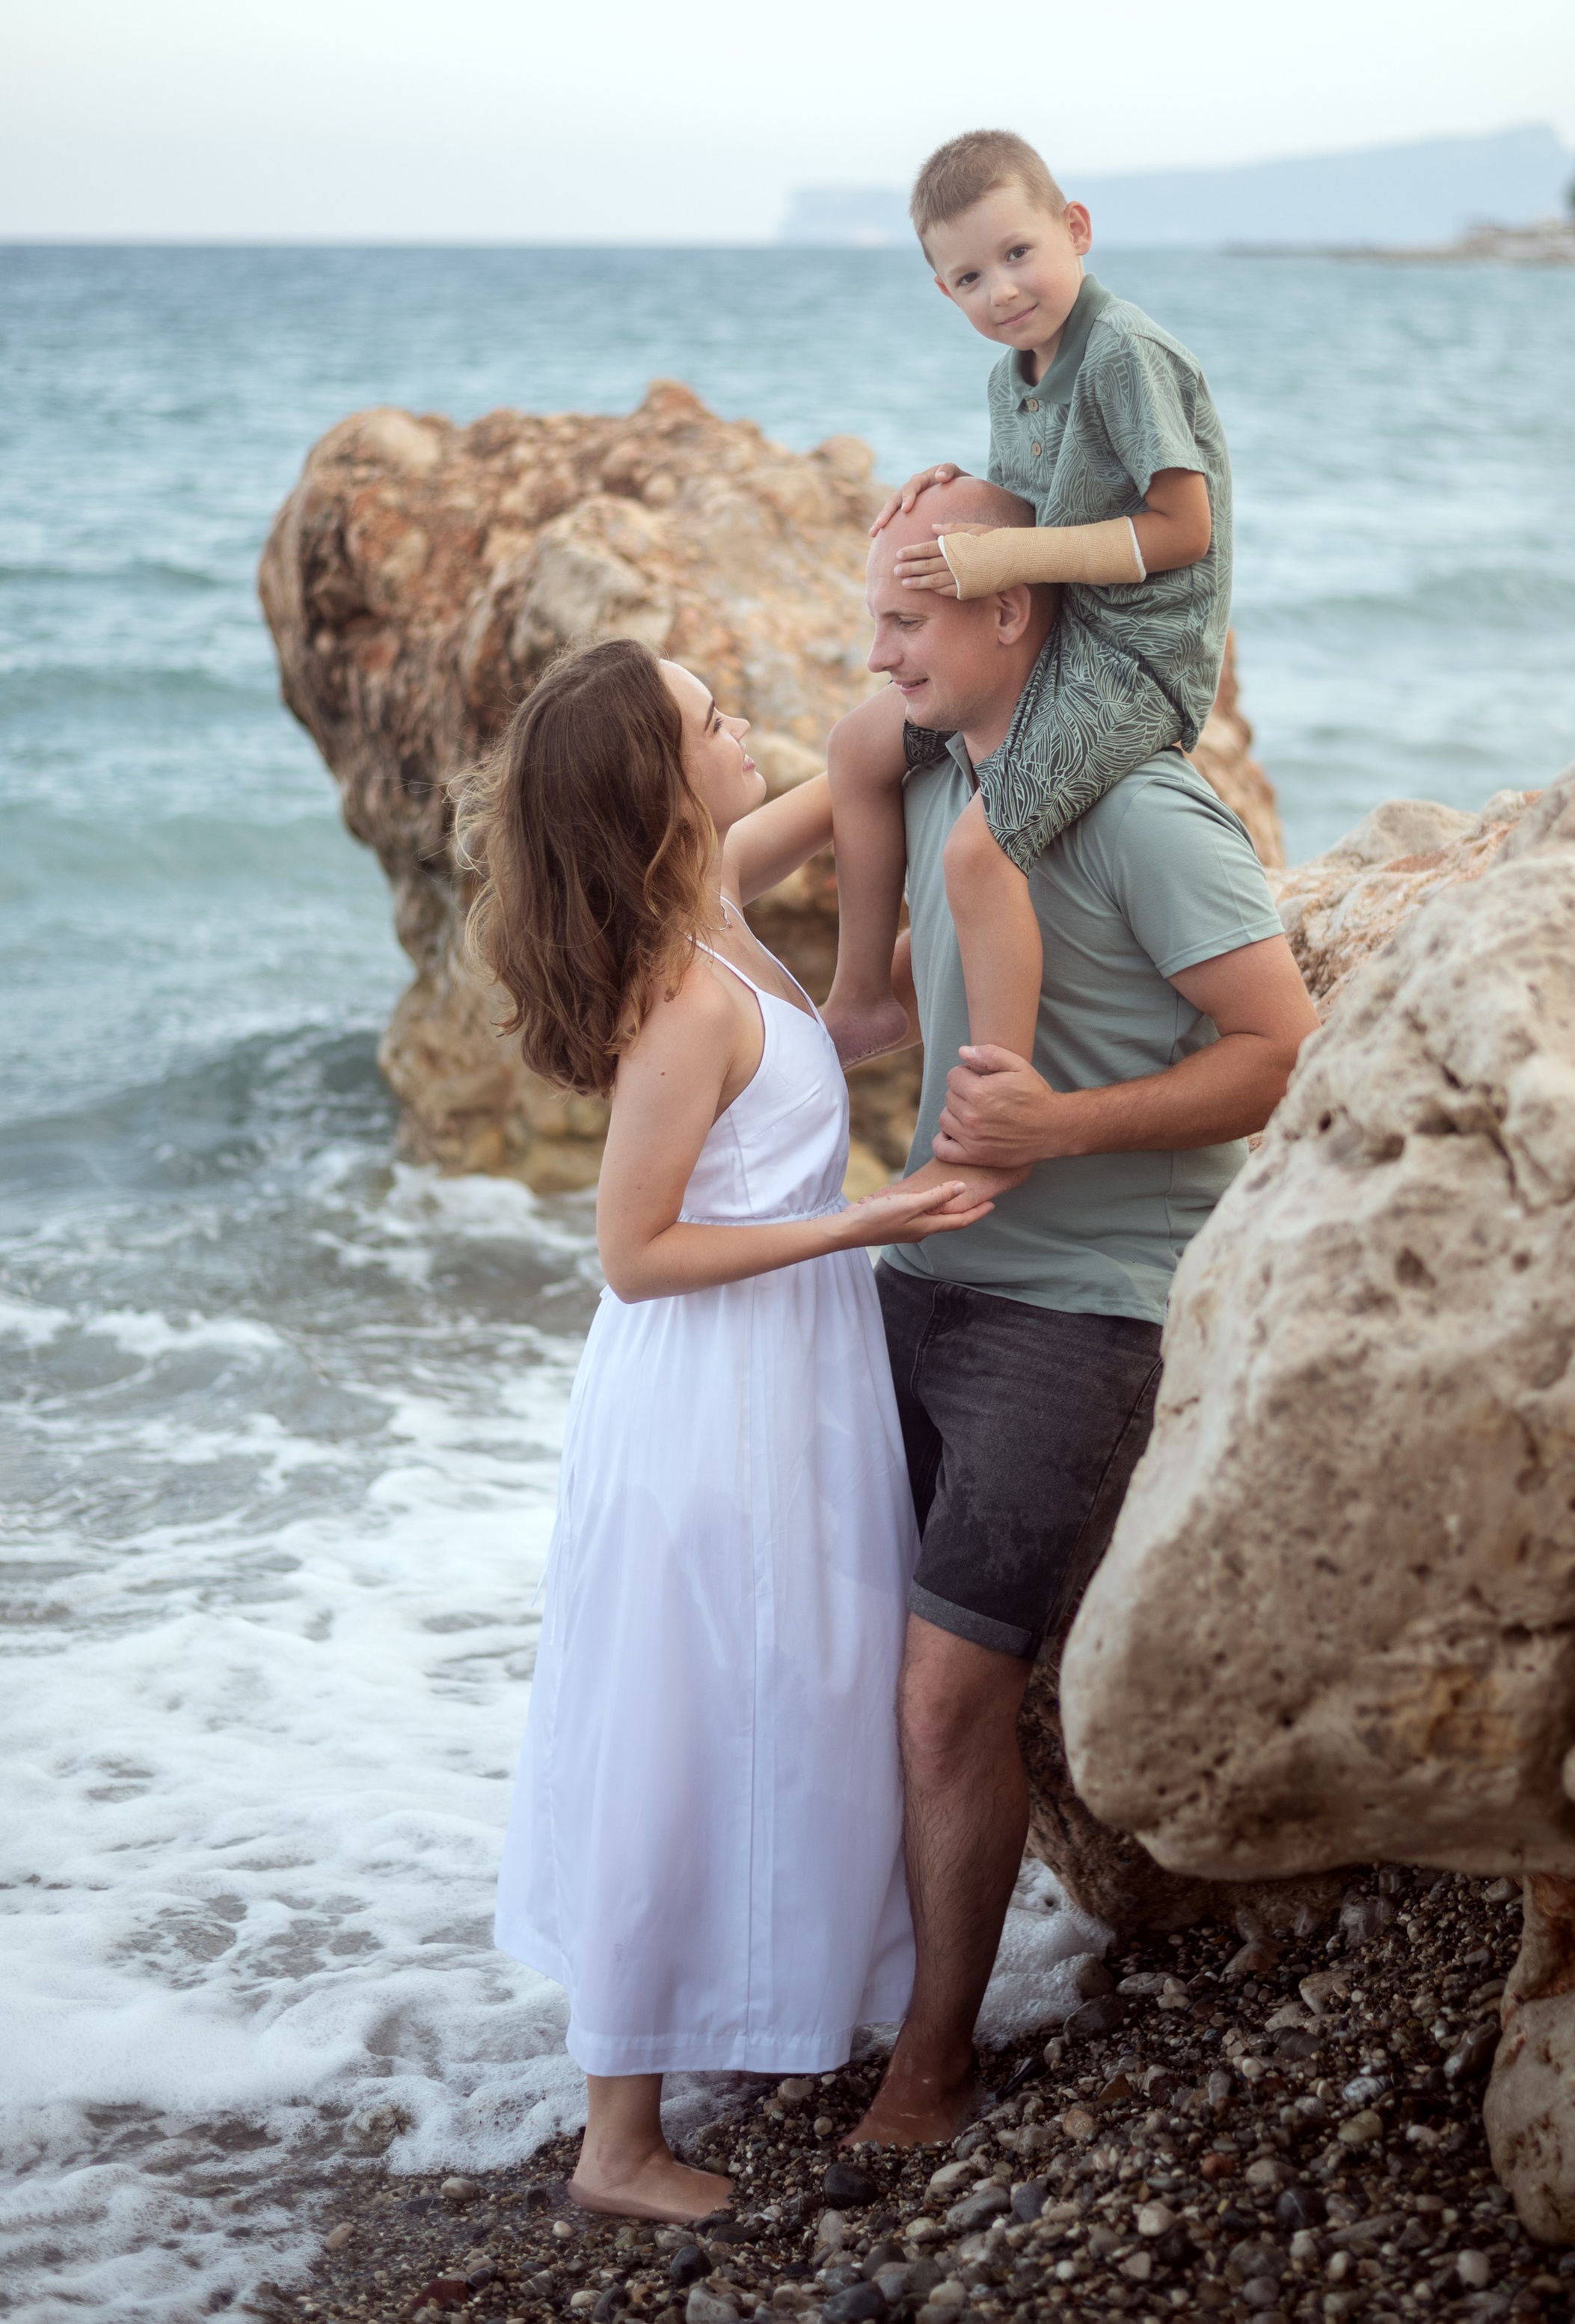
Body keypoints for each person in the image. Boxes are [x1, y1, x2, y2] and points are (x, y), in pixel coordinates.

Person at [459, 637, 992, 2222]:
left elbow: (854, 768)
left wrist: (960, 619)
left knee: (782, 1695)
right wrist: (864, 1220)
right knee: (677, 1722)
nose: (736, 720)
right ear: (656, 777)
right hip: (711, 1401)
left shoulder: (706, 899)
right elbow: (632, 1254)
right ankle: (615, 2143)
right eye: (707, 718)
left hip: (779, 1385)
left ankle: (762, 2002)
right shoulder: (686, 992)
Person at [844, 481, 1321, 2147]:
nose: (879, 648)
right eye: (875, 615)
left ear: (1011, 610)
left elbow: (1280, 1051)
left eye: (909, 614)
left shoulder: (1133, 810)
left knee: (936, 1694)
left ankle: (934, 2059)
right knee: (821, 1648)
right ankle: (799, 1984)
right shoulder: (930, 778)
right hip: (916, 1276)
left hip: (1088, 1311)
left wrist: (1060, 1128)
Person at [823, 128, 1231, 1083]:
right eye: (969, 278)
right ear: (943, 291)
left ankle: (999, 1092)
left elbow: (1183, 529)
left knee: (977, 852)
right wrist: (957, 486)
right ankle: (862, 1002)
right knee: (856, 748)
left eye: (1018, 254)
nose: (1001, 291)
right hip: (1059, 633)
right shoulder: (1012, 377)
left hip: (1135, 660)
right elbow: (1039, 506)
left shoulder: (1124, 353)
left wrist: (1009, 550)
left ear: (1074, 229)